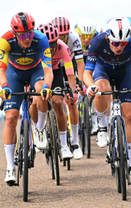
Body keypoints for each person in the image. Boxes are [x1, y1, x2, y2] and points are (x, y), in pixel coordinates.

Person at [83, 17, 131, 183]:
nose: (119, 47)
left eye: (123, 44)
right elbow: (87, 73)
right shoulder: (97, 41)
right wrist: (90, 86)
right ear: (108, 38)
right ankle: (102, 126)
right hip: (103, 70)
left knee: (130, 116)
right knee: (101, 88)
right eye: (116, 43)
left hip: (125, 71)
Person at [0, 12, 53, 184]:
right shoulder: (5, 40)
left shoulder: (41, 39)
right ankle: (10, 167)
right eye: (23, 36)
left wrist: (46, 86)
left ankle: (40, 129)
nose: (27, 39)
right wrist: (4, 86)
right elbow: (1, 70)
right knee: (10, 118)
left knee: (41, 94)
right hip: (13, 74)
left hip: (35, 71)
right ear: (15, 34)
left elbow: (48, 70)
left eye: (30, 34)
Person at [32, 23, 81, 160]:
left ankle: (64, 145)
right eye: (48, 45)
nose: (51, 49)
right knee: (34, 102)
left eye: (54, 44)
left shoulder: (63, 48)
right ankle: (38, 130)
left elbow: (70, 75)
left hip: (55, 71)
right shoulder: (35, 48)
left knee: (58, 102)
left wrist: (70, 92)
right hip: (38, 72)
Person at [52, 17, 84, 159]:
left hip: (69, 66)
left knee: (72, 101)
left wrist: (80, 83)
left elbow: (80, 63)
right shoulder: (49, 39)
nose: (63, 39)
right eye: (60, 36)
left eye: (65, 36)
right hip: (55, 68)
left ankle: (75, 142)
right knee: (56, 100)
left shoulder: (74, 38)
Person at [74, 18, 99, 134]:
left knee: (94, 85)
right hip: (77, 61)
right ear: (78, 33)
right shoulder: (74, 37)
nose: (86, 39)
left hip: (92, 61)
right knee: (77, 83)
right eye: (83, 36)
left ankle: (94, 118)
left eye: (90, 36)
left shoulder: (97, 38)